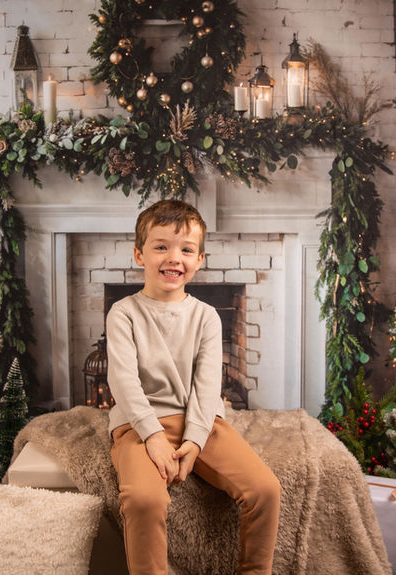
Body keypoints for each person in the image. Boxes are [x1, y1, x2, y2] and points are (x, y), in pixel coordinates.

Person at [106, 199, 281, 575]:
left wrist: (196, 439)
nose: (174, 258)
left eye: (186, 249)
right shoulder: (123, 313)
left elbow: (207, 385)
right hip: (139, 425)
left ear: (199, 259)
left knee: (265, 489)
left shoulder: (206, 317)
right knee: (143, 500)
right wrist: (151, 435)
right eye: (161, 246)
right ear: (139, 254)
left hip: (199, 420)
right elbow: (123, 380)